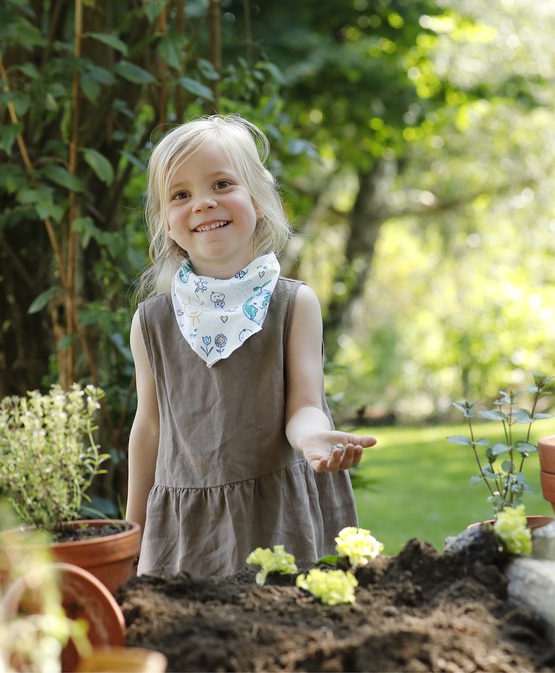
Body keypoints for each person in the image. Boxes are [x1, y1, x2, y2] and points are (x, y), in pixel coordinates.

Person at [126, 113, 376, 577]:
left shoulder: (292, 304)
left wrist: (312, 438)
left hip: (278, 513)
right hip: (188, 531)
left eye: (222, 184)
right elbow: (149, 428)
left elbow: (304, 404)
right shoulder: (152, 322)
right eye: (180, 195)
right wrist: (131, 533)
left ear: (259, 201)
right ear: (165, 220)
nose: (202, 203)